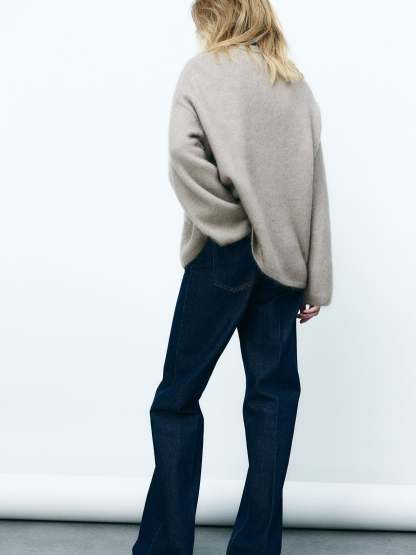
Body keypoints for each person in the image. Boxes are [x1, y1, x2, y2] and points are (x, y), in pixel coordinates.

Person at [132, 0, 332, 553]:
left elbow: (183, 157)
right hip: (285, 262)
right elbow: (315, 185)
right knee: (273, 400)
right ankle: (256, 547)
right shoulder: (294, 85)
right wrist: (314, 278)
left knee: (177, 398)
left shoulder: (204, 72)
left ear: (215, 16)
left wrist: (229, 226)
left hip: (225, 259)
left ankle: (164, 547)